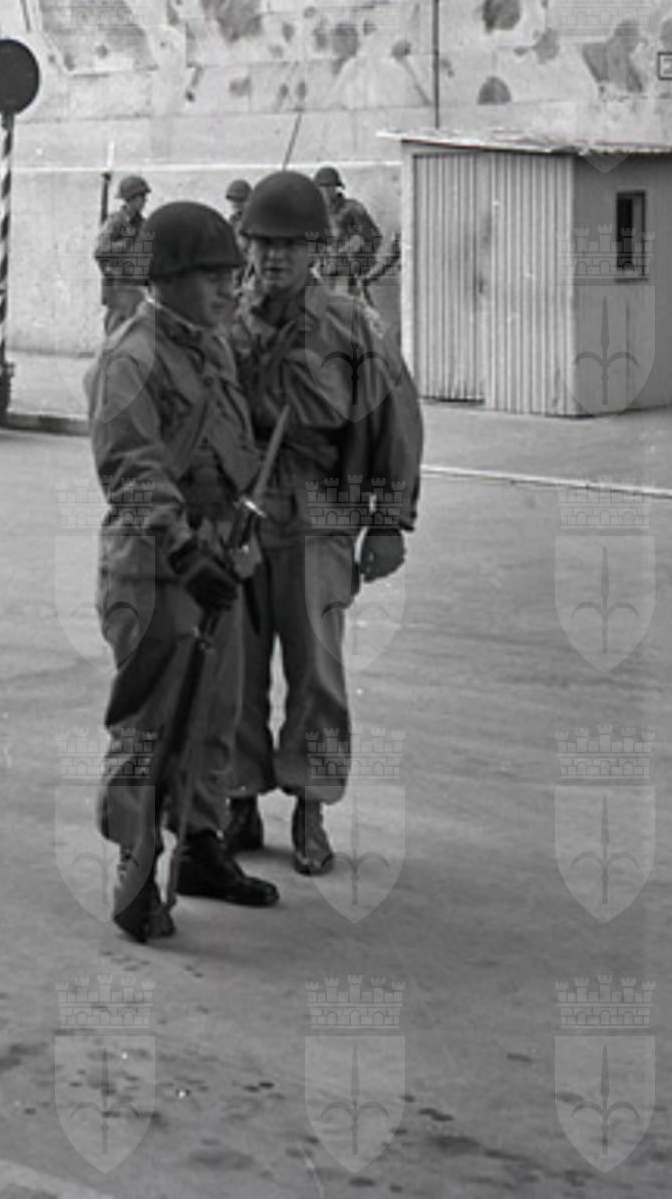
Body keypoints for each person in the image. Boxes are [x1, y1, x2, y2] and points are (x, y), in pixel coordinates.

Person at [86, 199, 281, 943]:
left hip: (217, 556)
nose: (231, 287)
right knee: (148, 725)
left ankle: (200, 844)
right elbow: (129, 471)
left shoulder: (213, 345)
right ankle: (136, 869)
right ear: (166, 279)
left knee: (213, 715)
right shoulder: (131, 358)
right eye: (212, 276)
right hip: (155, 570)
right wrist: (181, 548)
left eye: (233, 274)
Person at [225, 171, 423, 876]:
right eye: (261, 242)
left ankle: (311, 804)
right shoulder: (225, 321)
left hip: (320, 508)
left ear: (316, 249)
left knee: (317, 670)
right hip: (242, 510)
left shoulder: (350, 326)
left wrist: (388, 523)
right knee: (234, 666)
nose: (273, 256)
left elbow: (393, 421)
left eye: (289, 244)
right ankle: (238, 797)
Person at [313, 166, 385, 300]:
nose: (325, 191)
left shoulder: (352, 208)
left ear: (336, 187)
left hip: (348, 271)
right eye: (321, 187)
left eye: (329, 187)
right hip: (325, 271)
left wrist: (358, 244)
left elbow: (373, 235)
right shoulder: (315, 212)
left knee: (344, 306)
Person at [94, 174, 151, 337]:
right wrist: (124, 244)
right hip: (118, 286)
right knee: (116, 336)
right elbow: (100, 251)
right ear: (131, 199)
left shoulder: (143, 224)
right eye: (142, 197)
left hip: (137, 287)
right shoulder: (116, 222)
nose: (145, 201)